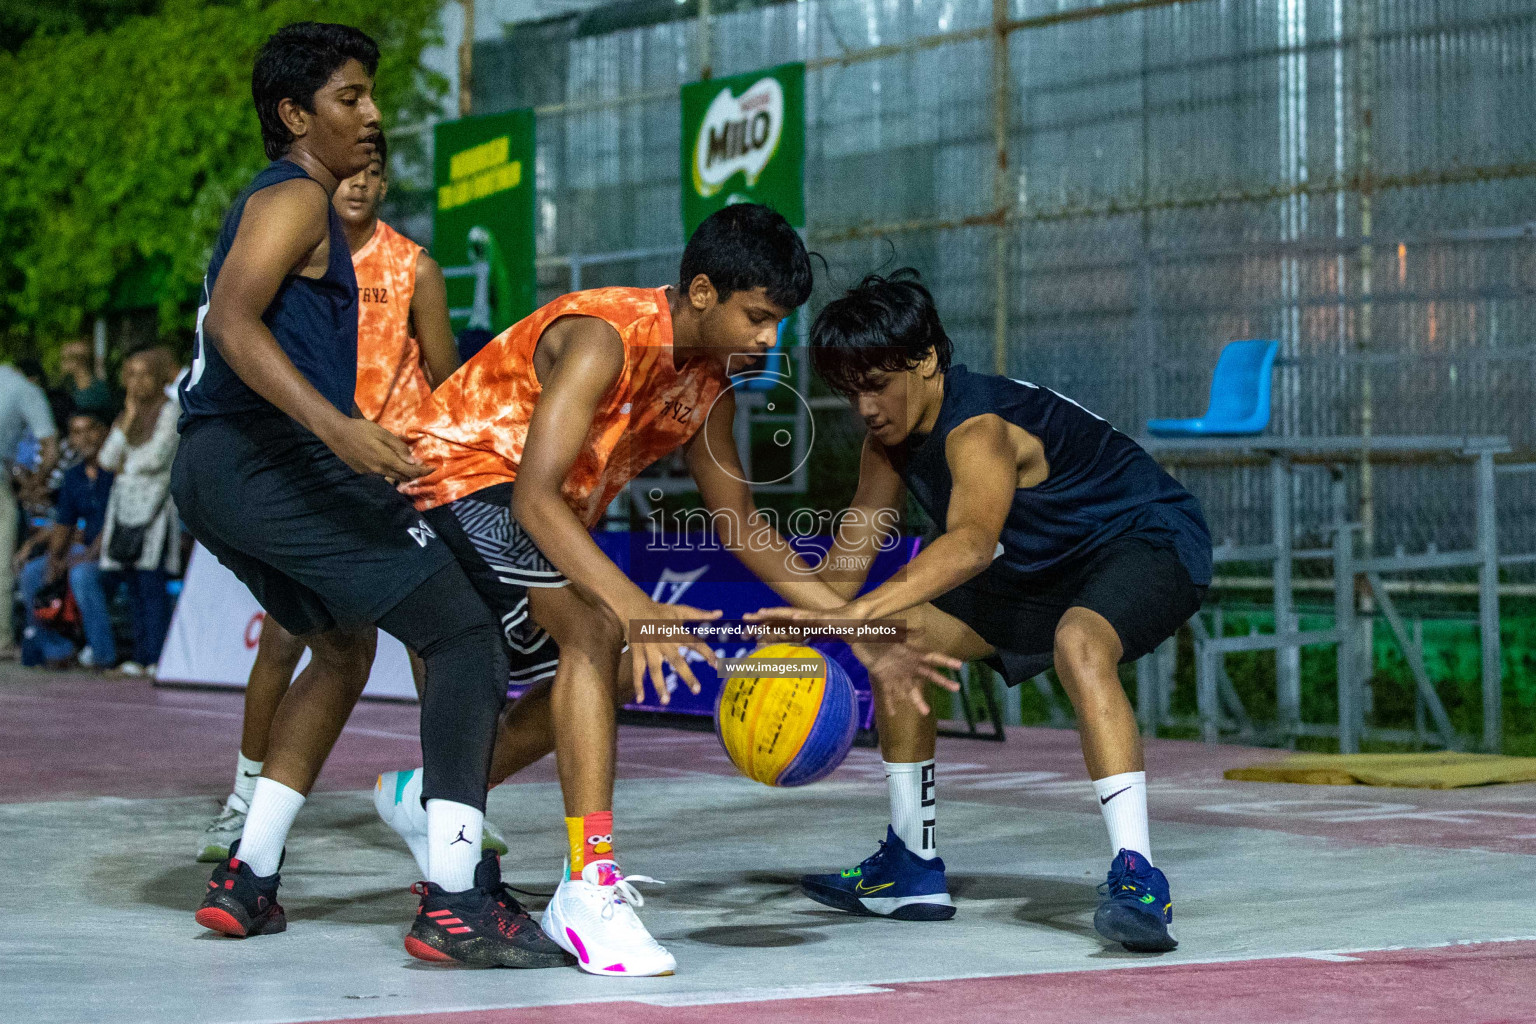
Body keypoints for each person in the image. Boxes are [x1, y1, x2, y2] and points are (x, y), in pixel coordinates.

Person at [370, 204, 958, 976]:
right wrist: (636, 608)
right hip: (446, 481)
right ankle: (589, 887)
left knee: (604, 665)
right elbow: (535, 497)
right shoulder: (608, 336)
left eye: (779, 321)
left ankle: (438, 794)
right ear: (704, 292)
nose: (767, 338)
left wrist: (865, 637)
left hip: (518, 509)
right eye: (757, 316)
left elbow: (743, 528)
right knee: (597, 631)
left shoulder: (709, 390)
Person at [178, 22, 566, 970]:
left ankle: (248, 876)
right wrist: (338, 428)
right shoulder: (298, 192)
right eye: (351, 97)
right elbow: (231, 318)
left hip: (220, 470)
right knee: (468, 636)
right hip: (268, 461)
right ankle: (457, 898)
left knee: (342, 649)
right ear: (295, 114)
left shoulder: (334, 223)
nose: (373, 113)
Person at [747, 270, 1212, 953]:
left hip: (1147, 541)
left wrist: (852, 615)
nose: (867, 406)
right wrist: (787, 627)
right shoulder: (889, 444)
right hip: (1041, 564)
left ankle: (1138, 874)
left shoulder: (978, 429)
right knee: (895, 634)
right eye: (852, 392)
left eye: (878, 383)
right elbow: (850, 556)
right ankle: (910, 866)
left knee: (1080, 643)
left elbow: (969, 544)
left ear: (928, 360)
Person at [194, 133, 493, 863]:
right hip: (308, 460)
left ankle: (445, 794)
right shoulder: (291, 234)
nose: (359, 181)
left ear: (384, 184)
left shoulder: (412, 266)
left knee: (430, 641)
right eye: (351, 169)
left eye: (373, 172)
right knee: (293, 641)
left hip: (389, 463)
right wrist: (331, 429)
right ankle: (246, 794)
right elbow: (230, 327)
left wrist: (463, 446)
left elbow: (447, 374)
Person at [99, 349, 182, 674]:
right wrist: (130, 418)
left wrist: (125, 466)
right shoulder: (128, 413)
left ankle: (156, 657)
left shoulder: (171, 409)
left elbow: (157, 458)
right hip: (123, 512)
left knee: (151, 584)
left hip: (154, 512)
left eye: (145, 373)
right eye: (131, 373)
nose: (137, 381)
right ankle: (139, 655)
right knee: (131, 584)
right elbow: (106, 460)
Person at [16, 411, 115, 667]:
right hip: (84, 551)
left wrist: (85, 556)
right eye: (76, 432)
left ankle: (103, 655)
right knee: (33, 572)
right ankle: (57, 650)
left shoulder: (117, 470)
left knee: (81, 574)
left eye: (89, 430)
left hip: (116, 552)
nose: (83, 438)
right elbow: (64, 523)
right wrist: (55, 558)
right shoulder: (74, 476)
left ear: (104, 432)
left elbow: (117, 522)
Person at [0, 360, 59, 658]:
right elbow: (50, 446)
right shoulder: (25, 389)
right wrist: (34, 486)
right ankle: (2, 639)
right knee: (1, 565)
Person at [58, 338, 116, 419]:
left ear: (77, 361)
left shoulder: (97, 391)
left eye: (64, 359)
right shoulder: (69, 387)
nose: (61, 363)